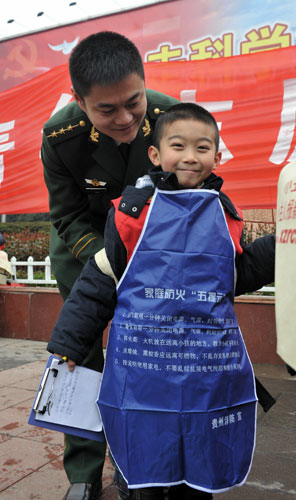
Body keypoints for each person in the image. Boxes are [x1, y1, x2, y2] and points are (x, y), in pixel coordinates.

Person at [47, 103, 275, 500]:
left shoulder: (225, 215)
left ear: (218, 157)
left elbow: (235, 275)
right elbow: (100, 279)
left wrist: (285, 245)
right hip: (143, 372)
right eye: (178, 145)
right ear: (155, 154)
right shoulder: (133, 214)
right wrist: (68, 343)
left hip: (205, 373)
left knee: (199, 464)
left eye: (203, 147)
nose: (190, 156)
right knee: (145, 464)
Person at [41, 31, 178, 500]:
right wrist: (105, 257)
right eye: (106, 110)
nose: (125, 118)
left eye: (133, 101)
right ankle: (83, 474)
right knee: (80, 356)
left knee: (148, 354)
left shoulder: (171, 118)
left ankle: (147, 460)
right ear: (80, 101)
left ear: (143, 83)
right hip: (86, 255)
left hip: (153, 253)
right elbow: (66, 214)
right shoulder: (61, 137)